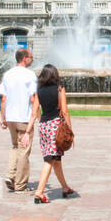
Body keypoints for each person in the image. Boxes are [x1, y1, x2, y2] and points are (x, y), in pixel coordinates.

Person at [33, 64, 78, 203]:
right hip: (55, 125)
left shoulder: (38, 90)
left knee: (56, 159)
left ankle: (65, 187)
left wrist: (42, 122)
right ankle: (39, 192)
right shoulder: (60, 88)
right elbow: (64, 110)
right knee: (50, 160)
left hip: (44, 126)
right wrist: (69, 130)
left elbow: (35, 109)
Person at [0, 48, 39, 193]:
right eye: (31, 57)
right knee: (24, 150)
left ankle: (10, 175)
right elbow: (33, 98)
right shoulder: (30, 75)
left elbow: (3, 98)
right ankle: (20, 185)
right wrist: (36, 116)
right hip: (24, 117)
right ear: (25, 58)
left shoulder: (7, 74)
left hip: (10, 117)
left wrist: (3, 117)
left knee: (15, 146)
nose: (32, 59)